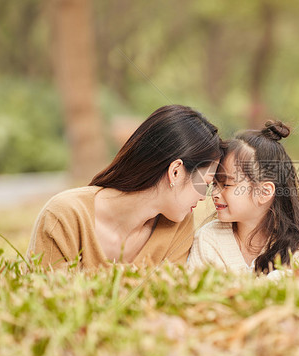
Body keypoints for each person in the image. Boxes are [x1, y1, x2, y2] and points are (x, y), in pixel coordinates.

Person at [27, 105, 224, 269]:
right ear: (175, 171)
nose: (203, 197)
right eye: (204, 184)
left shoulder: (178, 226)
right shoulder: (65, 217)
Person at [187, 120, 299, 274]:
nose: (214, 193)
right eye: (215, 183)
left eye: (227, 184)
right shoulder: (208, 239)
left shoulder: (296, 244)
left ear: (264, 192)